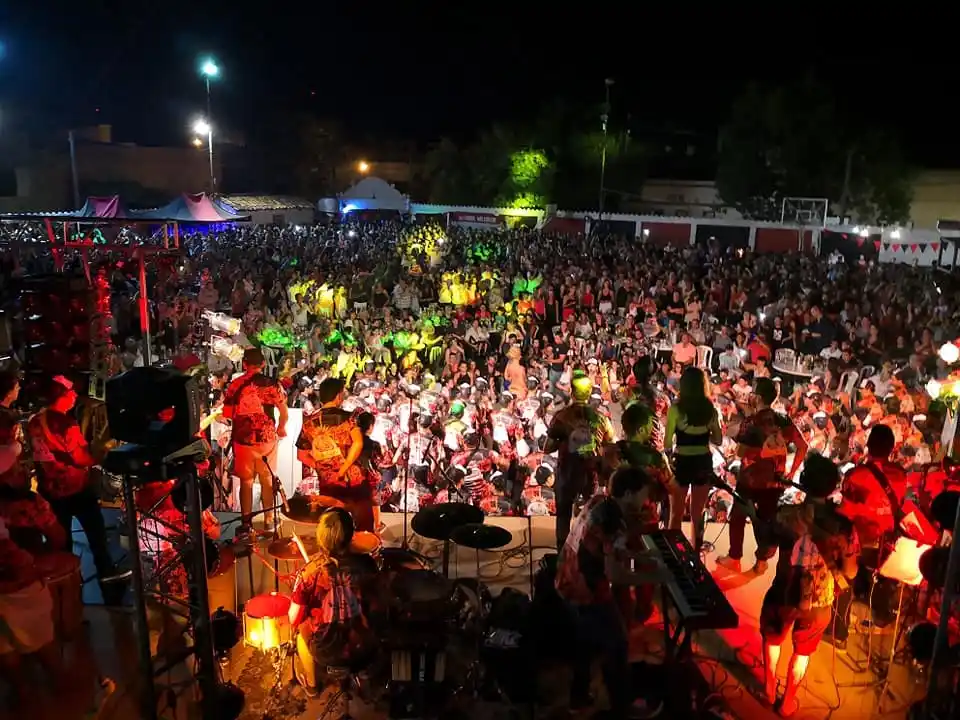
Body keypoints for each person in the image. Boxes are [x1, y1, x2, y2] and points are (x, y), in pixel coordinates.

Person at [554, 466, 671, 719]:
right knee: (618, 644)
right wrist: (658, 577)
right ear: (629, 494)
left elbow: (605, 547)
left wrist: (638, 555)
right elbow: (616, 576)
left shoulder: (601, 502)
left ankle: (578, 699)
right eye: (643, 495)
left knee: (584, 643)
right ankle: (624, 707)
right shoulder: (613, 521)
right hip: (585, 589)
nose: (646, 500)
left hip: (566, 578)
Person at [760, 454, 859, 715]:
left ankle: (769, 689)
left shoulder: (785, 515)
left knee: (772, 639)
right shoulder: (844, 526)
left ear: (803, 481)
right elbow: (850, 571)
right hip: (819, 601)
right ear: (833, 487)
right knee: (802, 652)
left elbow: (766, 550)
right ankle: (788, 701)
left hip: (783, 590)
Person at [26, 375, 130, 600]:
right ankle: (109, 586)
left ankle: (68, 592)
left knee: (62, 544)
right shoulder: (66, 425)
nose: (74, 396)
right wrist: (100, 451)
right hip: (77, 491)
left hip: (51, 492)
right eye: (70, 392)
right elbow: (82, 458)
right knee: (97, 540)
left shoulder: (34, 421)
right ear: (60, 397)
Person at [718, 377, 807, 575]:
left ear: (757, 397)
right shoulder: (783, 420)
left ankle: (735, 558)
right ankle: (761, 562)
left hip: (750, 478)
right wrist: (791, 472)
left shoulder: (752, 422)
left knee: (739, 515)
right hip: (775, 480)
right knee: (767, 520)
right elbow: (803, 446)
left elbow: (741, 452)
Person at [830, 424, 907, 647]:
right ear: (892, 448)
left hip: (861, 545)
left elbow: (846, 512)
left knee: (835, 545)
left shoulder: (857, 475)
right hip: (887, 545)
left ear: (868, 445)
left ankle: (838, 630)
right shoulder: (900, 475)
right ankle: (882, 617)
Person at [288, 508, 376, 696]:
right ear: (351, 535)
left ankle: (312, 685)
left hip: (325, 652)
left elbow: (292, 618)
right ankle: (365, 675)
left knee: (300, 629)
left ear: (320, 538)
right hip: (364, 647)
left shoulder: (310, 572)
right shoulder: (368, 565)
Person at [604, 402, 676, 626]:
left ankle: (622, 608)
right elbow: (672, 487)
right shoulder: (655, 457)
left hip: (618, 519)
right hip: (646, 521)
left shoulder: (611, 451)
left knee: (621, 561)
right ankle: (643, 608)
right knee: (645, 564)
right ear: (644, 428)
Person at [222, 348, 288, 538]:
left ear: (244, 364)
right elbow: (284, 413)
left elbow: (227, 414)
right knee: (267, 479)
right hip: (267, 438)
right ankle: (269, 520)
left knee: (246, 481)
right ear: (263, 364)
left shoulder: (235, 385)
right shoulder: (272, 384)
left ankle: (246, 523)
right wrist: (281, 428)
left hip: (243, 439)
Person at [546, 370, 615, 549]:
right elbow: (610, 445)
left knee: (563, 514)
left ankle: (561, 552)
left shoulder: (561, 416)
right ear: (590, 391)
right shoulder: (600, 418)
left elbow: (548, 447)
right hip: (591, 473)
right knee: (590, 515)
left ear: (571, 391)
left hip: (568, 472)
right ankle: (587, 551)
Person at [0, 518, 65, 707]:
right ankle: (53, 687)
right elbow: (57, 537)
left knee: (8, 648)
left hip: (20, 585)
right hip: (21, 584)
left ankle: (24, 691)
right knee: (39, 642)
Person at [296, 378, 373, 532]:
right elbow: (358, 443)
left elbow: (302, 456)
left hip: (327, 482)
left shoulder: (309, 423)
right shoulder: (349, 418)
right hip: (352, 482)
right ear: (338, 396)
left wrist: (323, 468)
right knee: (362, 526)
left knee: (334, 524)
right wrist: (342, 469)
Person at [664, 367, 722, 551]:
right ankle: (696, 552)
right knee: (698, 513)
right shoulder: (710, 410)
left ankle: (674, 552)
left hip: (682, 462)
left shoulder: (676, 409)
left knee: (676, 513)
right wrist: (704, 433)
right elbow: (718, 439)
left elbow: (667, 443)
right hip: (703, 462)